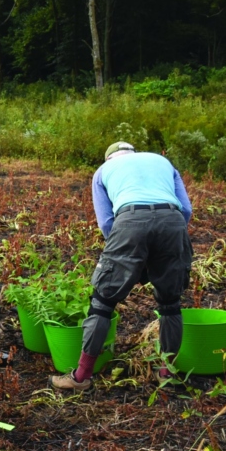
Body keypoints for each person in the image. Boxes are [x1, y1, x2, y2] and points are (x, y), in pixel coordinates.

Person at [51, 141, 193, 391]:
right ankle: (167, 373)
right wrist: (163, 246)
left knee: (102, 302)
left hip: (129, 221)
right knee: (171, 304)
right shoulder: (162, 162)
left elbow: (106, 222)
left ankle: (81, 377)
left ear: (109, 159)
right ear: (134, 154)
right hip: (173, 222)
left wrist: (124, 256)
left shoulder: (103, 172)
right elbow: (186, 210)